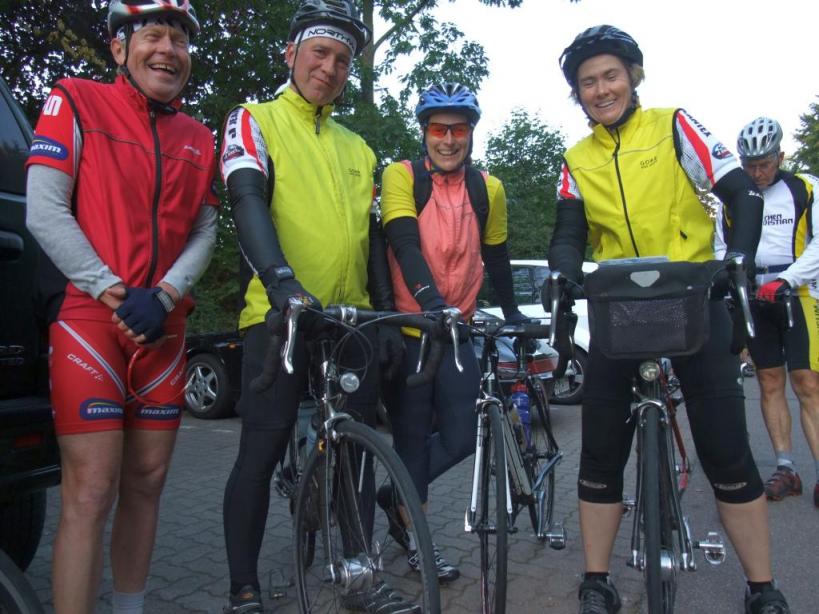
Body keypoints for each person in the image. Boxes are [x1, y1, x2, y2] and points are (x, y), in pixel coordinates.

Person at [548, 25, 791, 614]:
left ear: (632, 77)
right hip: (620, 307)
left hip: (693, 297)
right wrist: (562, 275)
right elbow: (569, 233)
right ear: (578, 94)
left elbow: (741, 192)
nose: (601, 89)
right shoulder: (577, 158)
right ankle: (597, 581)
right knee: (599, 453)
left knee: (727, 450)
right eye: (588, 83)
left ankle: (762, 587)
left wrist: (738, 257)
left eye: (610, 76)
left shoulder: (674, 124)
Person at [24, 1, 218, 612]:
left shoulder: (200, 137)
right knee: (90, 491)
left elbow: (204, 230)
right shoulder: (75, 100)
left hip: (164, 326)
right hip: (91, 322)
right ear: (118, 47)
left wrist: (163, 297)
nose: (168, 50)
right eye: (153, 35)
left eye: (179, 40)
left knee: (147, 483)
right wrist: (113, 289)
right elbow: (43, 209)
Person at [218, 1, 409, 612]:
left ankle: (359, 578)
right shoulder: (255, 118)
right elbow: (246, 199)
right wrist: (280, 283)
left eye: (342, 59)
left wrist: (386, 314)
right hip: (280, 315)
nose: (329, 67)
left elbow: (372, 239)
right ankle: (244, 587)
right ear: (291, 53)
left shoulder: (359, 148)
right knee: (264, 444)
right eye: (319, 52)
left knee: (356, 453)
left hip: (350, 319)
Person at [379, 83, 528, 582]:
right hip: (411, 329)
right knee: (412, 439)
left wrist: (514, 312)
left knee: (464, 437)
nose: (448, 140)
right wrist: (431, 303)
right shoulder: (401, 176)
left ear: (470, 134)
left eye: (458, 130)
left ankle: (397, 492)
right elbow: (404, 244)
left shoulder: (488, 188)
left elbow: (497, 255)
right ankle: (417, 541)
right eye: (439, 130)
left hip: (457, 331)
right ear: (425, 133)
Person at [713, 117, 819, 508]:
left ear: (781, 156)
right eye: (750, 165)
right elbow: (720, 246)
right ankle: (786, 469)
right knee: (769, 381)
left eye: (765, 164)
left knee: (807, 382)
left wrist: (788, 279)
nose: (758, 173)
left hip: (798, 291)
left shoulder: (805, 188)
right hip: (754, 294)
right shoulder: (733, 199)